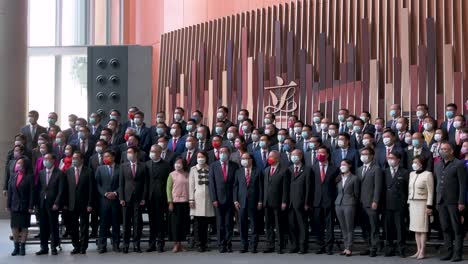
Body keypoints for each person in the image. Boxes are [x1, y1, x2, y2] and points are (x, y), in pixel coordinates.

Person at [435, 141, 466, 262]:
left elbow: (463, 185)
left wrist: (461, 202)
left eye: (444, 149)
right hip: (441, 201)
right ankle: (448, 251)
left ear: (451, 151)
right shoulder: (437, 164)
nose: (442, 151)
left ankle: (457, 253)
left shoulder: (459, 164)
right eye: (441, 149)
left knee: (457, 228)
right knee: (445, 227)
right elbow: (437, 183)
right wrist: (435, 201)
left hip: (454, 201)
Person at [209, 146, 239, 253]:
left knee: (229, 223)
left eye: (224, 152)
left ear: (229, 154)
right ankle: (221, 244)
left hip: (230, 199)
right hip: (218, 200)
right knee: (220, 224)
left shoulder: (234, 166)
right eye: (221, 152)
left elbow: (236, 184)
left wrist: (235, 199)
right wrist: (214, 199)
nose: (222, 153)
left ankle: (228, 243)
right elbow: (211, 184)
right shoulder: (213, 166)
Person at [65, 151, 94, 254]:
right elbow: (66, 189)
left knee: (84, 227)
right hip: (71, 204)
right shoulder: (68, 171)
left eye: (76, 158)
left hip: (84, 204)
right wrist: (65, 204)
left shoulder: (89, 171)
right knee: (73, 227)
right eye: (73, 158)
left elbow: (91, 189)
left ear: (82, 159)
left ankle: (83, 247)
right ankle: (76, 246)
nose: (74, 160)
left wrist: (90, 204)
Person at [36, 153, 65, 256]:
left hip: (53, 204)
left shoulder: (59, 173)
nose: (45, 161)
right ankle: (43, 247)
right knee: (43, 226)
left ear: (53, 161)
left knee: (53, 226)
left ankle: (54, 247)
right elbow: (38, 188)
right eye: (44, 159)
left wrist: (57, 202)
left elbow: (61, 190)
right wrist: (37, 203)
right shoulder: (41, 173)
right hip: (42, 203)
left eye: (48, 159)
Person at [233, 152, 263, 253]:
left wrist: (260, 201)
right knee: (242, 224)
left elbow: (260, 187)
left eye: (246, 158)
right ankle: (243, 246)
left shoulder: (258, 171)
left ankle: (253, 246)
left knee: (254, 225)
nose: (244, 160)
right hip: (241, 202)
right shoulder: (238, 171)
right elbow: (235, 187)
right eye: (243, 158)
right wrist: (235, 200)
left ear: (251, 160)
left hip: (254, 202)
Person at [119, 146, 147, 253]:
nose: (128, 154)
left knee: (137, 222)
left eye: (130, 152)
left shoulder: (143, 166)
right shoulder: (123, 166)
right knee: (126, 223)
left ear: (136, 154)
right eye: (127, 152)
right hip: (126, 198)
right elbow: (121, 184)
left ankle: (136, 244)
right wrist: (121, 198)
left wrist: (144, 198)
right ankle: (125, 245)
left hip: (138, 198)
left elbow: (145, 183)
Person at [312, 146, 339, 255]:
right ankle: (320, 245)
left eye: (322, 153)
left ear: (327, 155)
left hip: (330, 200)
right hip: (316, 201)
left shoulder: (335, 168)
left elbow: (337, 186)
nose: (320, 155)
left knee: (329, 225)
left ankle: (329, 247)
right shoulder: (313, 168)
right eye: (318, 153)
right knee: (318, 224)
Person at [357, 147, 383, 257]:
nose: (364, 156)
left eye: (366, 154)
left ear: (372, 156)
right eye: (362, 154)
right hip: (360, 203)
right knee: (365, 227)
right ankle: (367, 246)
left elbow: (378, 187)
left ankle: (374, 247)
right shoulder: (358, 169)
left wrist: (375, 201)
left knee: (374, 227)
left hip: (371, 202)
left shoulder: (376, 169)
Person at [263, 150, 290, 254]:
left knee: (279, 225)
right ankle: (270, 245)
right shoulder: (266, 170)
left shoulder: (284, 170)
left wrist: (284, 201)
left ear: (278, 158)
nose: (269, 158)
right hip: (267, 201)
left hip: (278, 202)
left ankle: (280, 245)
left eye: (272, 156)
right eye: (269, 156)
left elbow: (285, 188)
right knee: (268, 224)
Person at [145, 144, 171, 252]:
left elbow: (168, 183)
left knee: (160, 221)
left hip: (161, 197)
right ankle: (151, 244)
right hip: (150, 197)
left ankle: (161, 244)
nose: (153, 153)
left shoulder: (166, 165)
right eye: (151, 151)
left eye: (155, 151)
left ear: (160, 153)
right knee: (151, 222)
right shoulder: (146, 164)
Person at [383, 151, 409, 257]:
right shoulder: (384, 172)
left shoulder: (405, 172)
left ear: (398, 159)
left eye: (392, 158)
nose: (390, 160)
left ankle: (401, 249)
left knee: (400, 228)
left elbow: (407, 189)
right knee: (388, 228)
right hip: (387, 204)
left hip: (400, 204)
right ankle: (389, 248)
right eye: (389, 158)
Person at [408, 156, 434, 259]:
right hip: (413, 203)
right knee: (415, 229)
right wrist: (409, 202)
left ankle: (423, 251)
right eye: (413, 161)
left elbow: (431, 192)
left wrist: (429, 206)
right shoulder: (412, 174)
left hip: (422, 203)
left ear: (422, 163)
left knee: (422, 229)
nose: (414, 164)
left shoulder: (428, 174)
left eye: (416, 162)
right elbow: (410, 190)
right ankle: (417, 250)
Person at [7, 157, 34, 256]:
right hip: (14, 204)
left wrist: (31, 206)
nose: (18, 164)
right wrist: (8, 205)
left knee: (24, 226)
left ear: (25, 165)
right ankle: (16, 247)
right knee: (14, 226)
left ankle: (22, 247)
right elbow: (10, 192)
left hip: (25, 205)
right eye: (17, 163)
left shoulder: (29, 177)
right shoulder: (13, 176)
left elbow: (32, 193)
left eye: (20, 163)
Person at [189, 151, 215, 252]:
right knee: (197, 223)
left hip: (208, 198)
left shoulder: (210, 168)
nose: (200, 158)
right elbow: (191, 185)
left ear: (206, 158)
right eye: (199, 156)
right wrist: (191, 199)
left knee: (205, 224)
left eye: (202, 156)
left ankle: (204, 243)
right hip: (197, 198)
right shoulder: (193, 169)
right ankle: (198, 243)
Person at [95, 150, 121, 253]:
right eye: (104, 156)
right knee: (103, 224)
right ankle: (102, 245)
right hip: (104, 201)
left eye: (108, 156)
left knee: (116, 224)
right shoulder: (100, 169)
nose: (105, 158)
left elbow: (122, 183)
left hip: (116, 200)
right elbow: (97, 184)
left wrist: (115, 193)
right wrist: (105, 193)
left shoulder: (120, 168)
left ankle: (116, 245)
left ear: (113, 157)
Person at [288, 149, 312, 254]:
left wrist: (307, 202)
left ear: (301, 156)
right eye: (292, 155)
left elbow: (308, 187)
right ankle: (294, 245)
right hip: (290, 203)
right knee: (292, 225)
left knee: (302, 225)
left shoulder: (307, 170)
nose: (293, 157)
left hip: (301, 203)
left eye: (295, 155)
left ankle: (303, 246)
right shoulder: (289, 169)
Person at [335, 159, 360, 257]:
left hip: (350, 203)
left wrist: (353, 202)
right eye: (341, 164)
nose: (342, 166)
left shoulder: (354, 178)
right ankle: (345, 247)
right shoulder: (338, 178)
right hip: (338, 203)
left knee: (349, 227)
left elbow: (356, 193)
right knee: (343, 227)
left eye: (344, 164)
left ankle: (349, 247)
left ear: (349, 165)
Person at [167, 158, 190, 253]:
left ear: (183, 164)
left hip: (185, 202)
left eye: (180, 163)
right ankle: (175, 244)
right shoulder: (171, 175)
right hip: (175, 203)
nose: (177, 164)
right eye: (176, 163)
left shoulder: (187, 174)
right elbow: (168, 189)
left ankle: (181, 244)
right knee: (175, 224)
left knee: (183, 224)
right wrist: (170, 202)